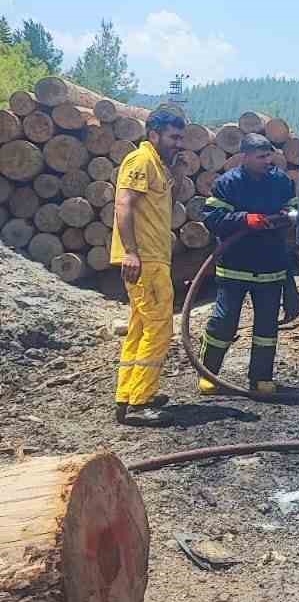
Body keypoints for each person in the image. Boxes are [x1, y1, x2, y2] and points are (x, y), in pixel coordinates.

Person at [200, 133, 297, 396]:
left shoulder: (279, 181)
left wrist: (288, 216)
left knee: (266, 327)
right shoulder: (228, 183)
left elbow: (294, 207)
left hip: (271, 266)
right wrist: (245, 220)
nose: (268, 161)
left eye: (270, 156)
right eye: (261, 157)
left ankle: (261, 378)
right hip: (235, 265)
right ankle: (208, 373)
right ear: (245, 157)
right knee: (224, 323)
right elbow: (212, 217)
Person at [112, 109, 186, 424]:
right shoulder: (140, 161)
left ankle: (128, 394)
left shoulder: (159, 166)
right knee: (159, 328)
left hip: (154, 258)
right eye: (174, 137)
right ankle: (140, 404)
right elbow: (123, 203)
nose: (179, 144)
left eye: (181, 137)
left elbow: (167, 201)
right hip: (145, 259)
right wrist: (130, 252)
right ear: (153, 135)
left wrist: (179, 173)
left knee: (141, 328)